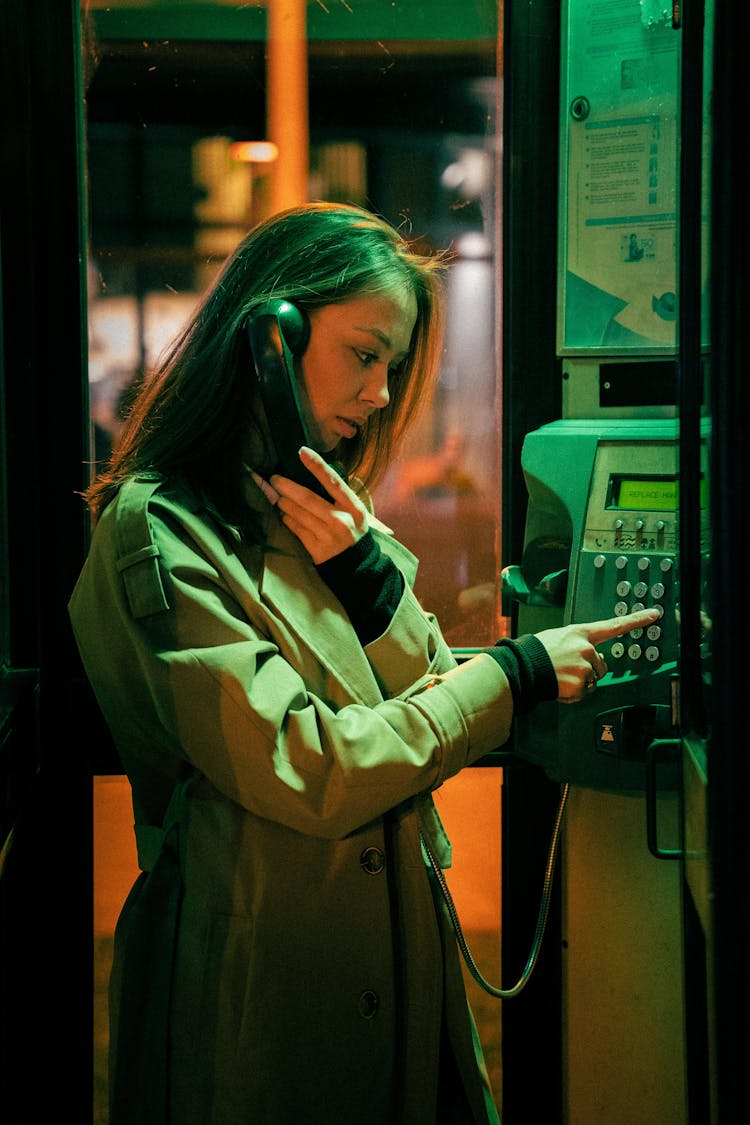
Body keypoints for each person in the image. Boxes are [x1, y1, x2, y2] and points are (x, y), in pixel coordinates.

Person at [68, 202, 659, 1125]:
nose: (383, 393)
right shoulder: (161, 531)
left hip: (400, 960)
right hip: (261, 982)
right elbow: (317, 768)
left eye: (395, 364)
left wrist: (369, 576)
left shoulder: (319, 510)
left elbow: (424, 680)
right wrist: (516, 672)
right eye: (365, 354)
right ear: (268, 341)